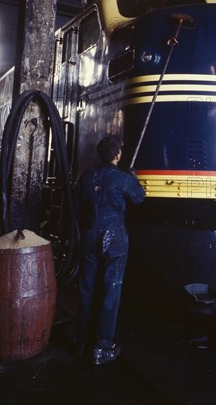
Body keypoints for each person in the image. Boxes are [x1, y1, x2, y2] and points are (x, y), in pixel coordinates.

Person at [74, 135, 145, 365]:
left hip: (89, 236)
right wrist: (132, 178)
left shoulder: (87, 177)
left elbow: (78, 205)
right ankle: (102, 347)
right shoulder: (123, 178)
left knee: (86, 289)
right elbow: (139, 198)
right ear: (117, 155)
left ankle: (82, 343)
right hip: (114, 238)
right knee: (110, 290)